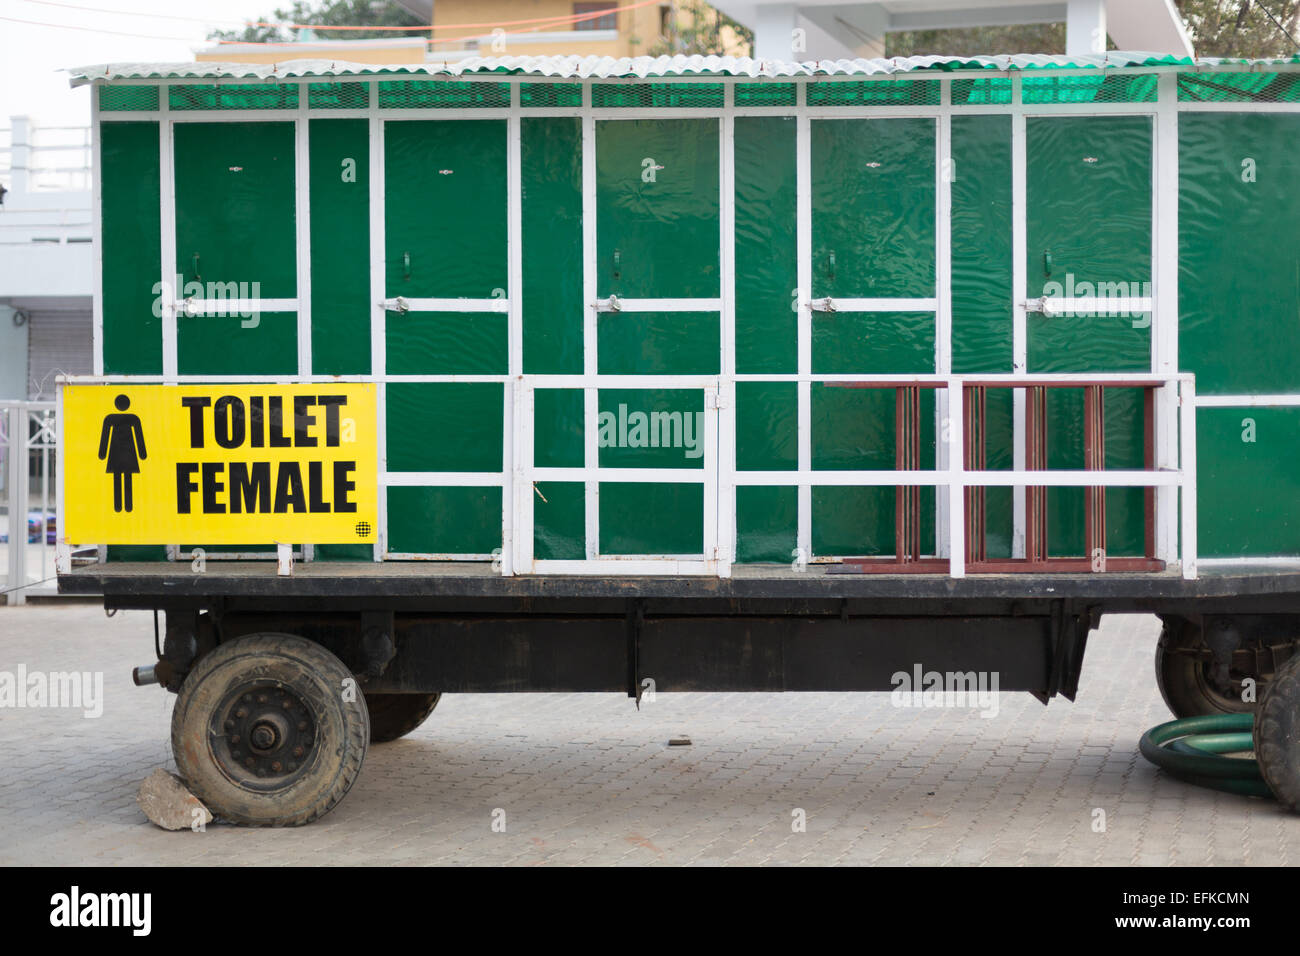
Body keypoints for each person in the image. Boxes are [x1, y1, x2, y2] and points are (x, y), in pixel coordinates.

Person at [98, 394, 147, 513]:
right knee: (127, 478)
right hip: (129, 452)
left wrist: (102, 453)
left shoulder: (110, 418)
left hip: (115, 451)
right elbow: (139, 436)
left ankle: (119, 506)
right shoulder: (133, 418)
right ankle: (127, 506)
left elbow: (105, 437)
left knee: (117, 478)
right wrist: (142, 453)